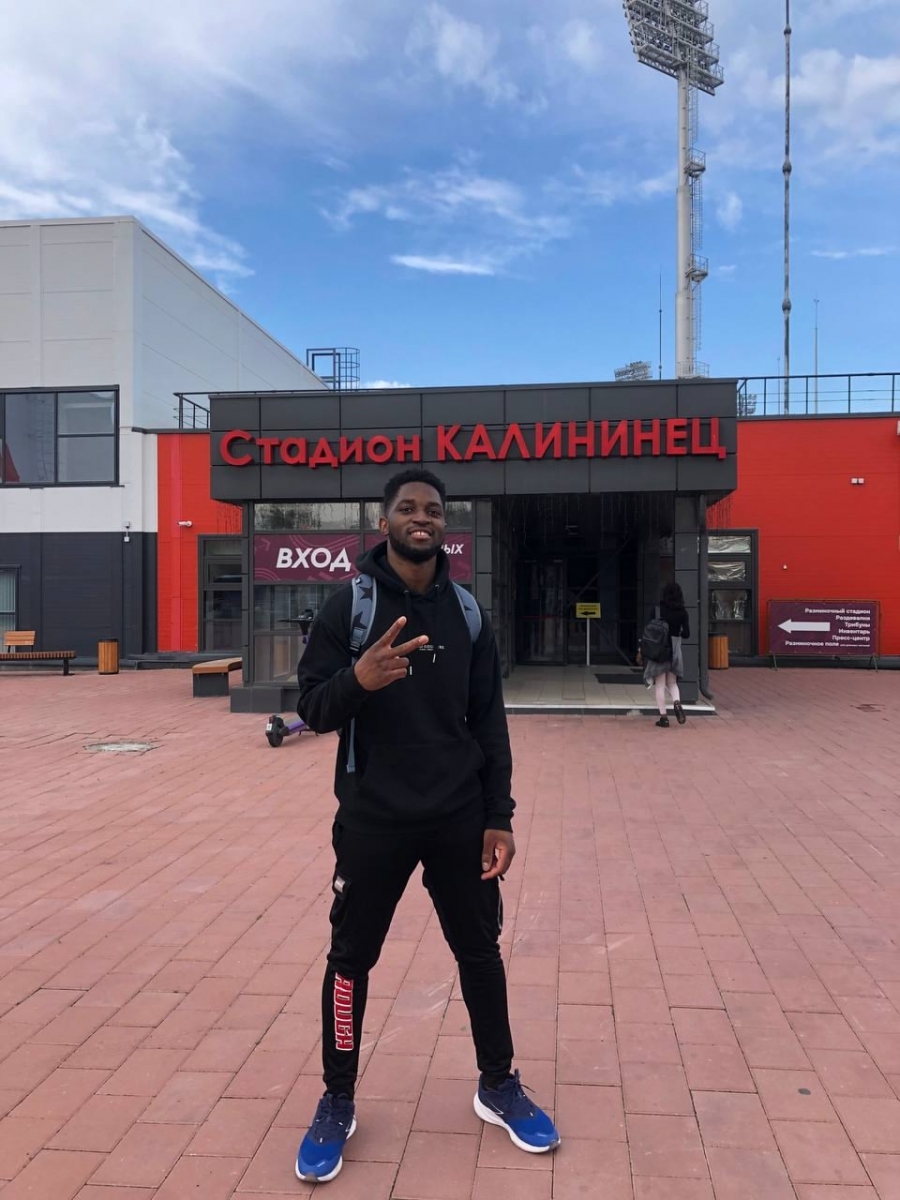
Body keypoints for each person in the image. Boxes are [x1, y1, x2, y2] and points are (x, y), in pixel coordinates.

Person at [294, 467, 560, 1184]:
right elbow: (311, 708)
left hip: (457, 818)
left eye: (434, 510)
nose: (423, 518)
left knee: (480, 953)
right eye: (408, 508)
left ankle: (498, 1083)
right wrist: (359, 680)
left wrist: (499, 815)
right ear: (383, 522)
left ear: (446, 526)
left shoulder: (467, 613)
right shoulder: (349, 607)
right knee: (350, 961)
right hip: (373, 820)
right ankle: (337, 1098)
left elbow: (490, 722)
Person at [643, 580, 690, 728]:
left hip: (659, 650)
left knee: (660, 686)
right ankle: (677, 703)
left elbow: (649, 629)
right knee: (672, 683)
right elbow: (687, 634)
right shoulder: (683, 612)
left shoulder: (657, 610)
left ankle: (663, 718)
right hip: (675, 651)